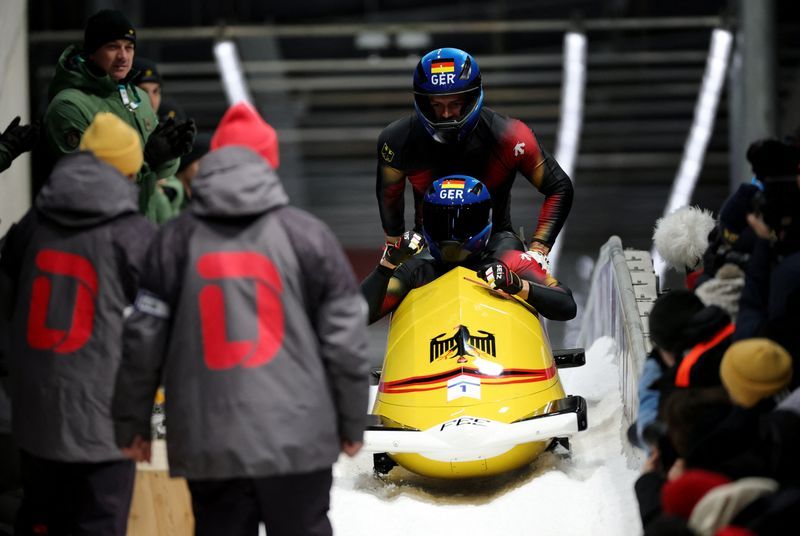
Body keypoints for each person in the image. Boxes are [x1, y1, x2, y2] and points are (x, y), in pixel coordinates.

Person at [112, 102, 369, 536]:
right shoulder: (308, 236)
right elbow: (345, 340)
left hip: (210, 439)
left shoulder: (173, 241)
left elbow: (142, 338)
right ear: (270, 161)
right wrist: (350, 421)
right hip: (298, 436)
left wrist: (131, 422)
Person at [0, 113, 155, 535]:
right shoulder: (132, 234)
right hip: (100, 420)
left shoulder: (35, 222)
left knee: (39, 518)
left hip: (33, 412)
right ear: (127, 169)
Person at [376, 47, 574, 272]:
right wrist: (394, 246)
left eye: (456, 104)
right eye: (436, 105)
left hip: (496, 245)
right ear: (423, 102)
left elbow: (559, 187)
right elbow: (389, 195)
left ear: (471, 98)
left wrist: (539, 251)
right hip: (429, 247)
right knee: (385, 289)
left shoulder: (511, 137)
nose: (446, 114)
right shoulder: (397, 139)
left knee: (538, 282)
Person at [361, 175, 576, 325]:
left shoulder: (509, 260)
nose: (451, 234)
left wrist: (519, 286)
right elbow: (357, 315)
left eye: (463, 223)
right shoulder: (416, 269)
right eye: (441, 222)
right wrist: (388, 263)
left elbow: (567, 305)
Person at [43, 9, 196, 219]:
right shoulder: (69, 106)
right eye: (112, 47)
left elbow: (159, 175)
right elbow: (86, 184)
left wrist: (169, 155)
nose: (123, 56)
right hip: (95, 231)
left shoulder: (138, 98)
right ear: (91, 51)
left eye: (129, 47)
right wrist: (148, 159)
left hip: (141, 227)